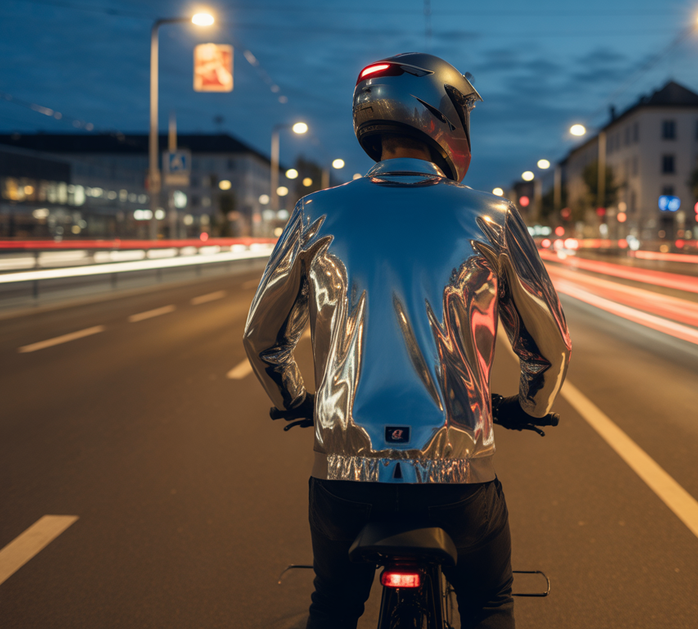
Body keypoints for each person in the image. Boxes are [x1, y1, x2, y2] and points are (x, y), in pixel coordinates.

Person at [243, 52, 571, 629]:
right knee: (489, 603)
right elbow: (548, 345)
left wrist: (293, 399)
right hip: (457, 474)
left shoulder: (315, 212)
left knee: (333, 605)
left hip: (344, 473)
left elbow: (263, 336)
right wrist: (530, 406)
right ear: (444, 116)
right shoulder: (491, 216)